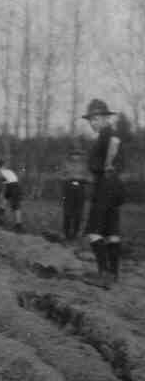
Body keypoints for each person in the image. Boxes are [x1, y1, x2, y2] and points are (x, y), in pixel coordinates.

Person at [82, 99, 124, 289]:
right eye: (91, 119)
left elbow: (114, 143)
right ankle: (113, 274)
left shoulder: (108, 134)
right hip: (115, 186)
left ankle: (104, 273)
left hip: (105, 185)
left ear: (105, 118)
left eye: (95, 118)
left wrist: (107, 164)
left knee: (93, 231)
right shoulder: (107, 133)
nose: (92, 123)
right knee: (112, 231)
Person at [60, 146, 88, 241]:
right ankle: (66, 233)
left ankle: (75, 233)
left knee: (78, 212)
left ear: (80, 156)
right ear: (70, 155)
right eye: (73, 154)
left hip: (80, 187)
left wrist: (80, 179)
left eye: (78, 154)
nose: (75, 156)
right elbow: (61, 176)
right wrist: (69, 179)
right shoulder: (66, 164)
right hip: (69, 188)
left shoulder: (84, 166)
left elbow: (89, 177)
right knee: (67, 211)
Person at [0, 159, 23, 232]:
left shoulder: (1, 172)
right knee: (7, 201)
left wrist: (1, 193)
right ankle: (0, 214)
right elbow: (12, 181)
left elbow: (5, 184)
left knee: (15, 206)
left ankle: (18, 225)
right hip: (16, 186)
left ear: (0, 167)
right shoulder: (9, 171)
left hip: (12, 187)